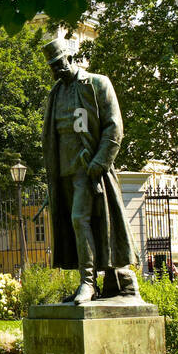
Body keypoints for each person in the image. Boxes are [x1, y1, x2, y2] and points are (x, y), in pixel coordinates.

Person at [41, 35, 141, 304]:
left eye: (59, 63)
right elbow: (53, 136)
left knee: (79, 219)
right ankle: (93, 282)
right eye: (52, 66)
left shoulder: (97, 83)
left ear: (70, 58)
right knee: (76, 225)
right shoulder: (56, 93)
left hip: (88, 169)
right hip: (63, 172)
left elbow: (114, 127)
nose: (56, 70)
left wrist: (99, 162)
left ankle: (88, 283)